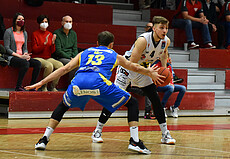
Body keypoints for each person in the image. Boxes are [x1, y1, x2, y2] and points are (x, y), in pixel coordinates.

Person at [25, 31, 163, 154]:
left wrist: (41, 82)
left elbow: (64, 69)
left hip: (78, 82)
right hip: (98, 83)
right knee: (132, 103)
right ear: (111, 45)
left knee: (63, 105)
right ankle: (134, 141)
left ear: (97, 43)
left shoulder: (84, 53)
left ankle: (44, 139)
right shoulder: (114, 54)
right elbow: (133, 67)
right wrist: (148, 72)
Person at [92, 16, 176, 145]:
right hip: (128, 68)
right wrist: (149, 73)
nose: (164, 31)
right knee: (114, 99)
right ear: (154, 28)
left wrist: (164, 70)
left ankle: (165, 134)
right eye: (161, 28)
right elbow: (132, 64)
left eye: (166, 28)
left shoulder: (166, 41)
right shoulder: (143, 40)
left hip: (143, 69)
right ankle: (97, 130)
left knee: (155, 99)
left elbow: (164, 53)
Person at [3, 12, 41, 91]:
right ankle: (18, 86)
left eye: (23, 19)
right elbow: (7, 48)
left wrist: (25, 54)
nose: (21, 21)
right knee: (25, 63)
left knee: (37, 63)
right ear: (15, 21)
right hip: (12, 57)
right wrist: (20, 56)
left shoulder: (24, 33)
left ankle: (32, 86)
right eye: (19, 19)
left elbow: (25, 47)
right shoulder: (8, 31)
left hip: (22, 56)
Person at [32, 15, 64, 91]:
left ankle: (53, 86)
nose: (44, 23)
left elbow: (52, 51)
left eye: (46, 22)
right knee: (49, 66)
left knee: (60, 65)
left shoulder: (50, 34)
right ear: (39, 23)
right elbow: (34, 50)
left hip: (48, 57)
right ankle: (44, 86)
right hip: (38, 57)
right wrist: (44, 44)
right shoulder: (35, 34)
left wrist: (53, 43)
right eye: (42, 22)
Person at [52, 15, 78, 83]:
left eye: (70, 22)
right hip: (61, 57)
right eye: (66, 21)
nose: (68, 23)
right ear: (62, 23)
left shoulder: (73, 34)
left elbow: (75, 48)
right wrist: (70, 58)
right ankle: (70, 85)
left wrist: (74, 57)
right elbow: (58, 51)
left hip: (71, 57)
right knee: (73, 65)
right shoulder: (57, 33)